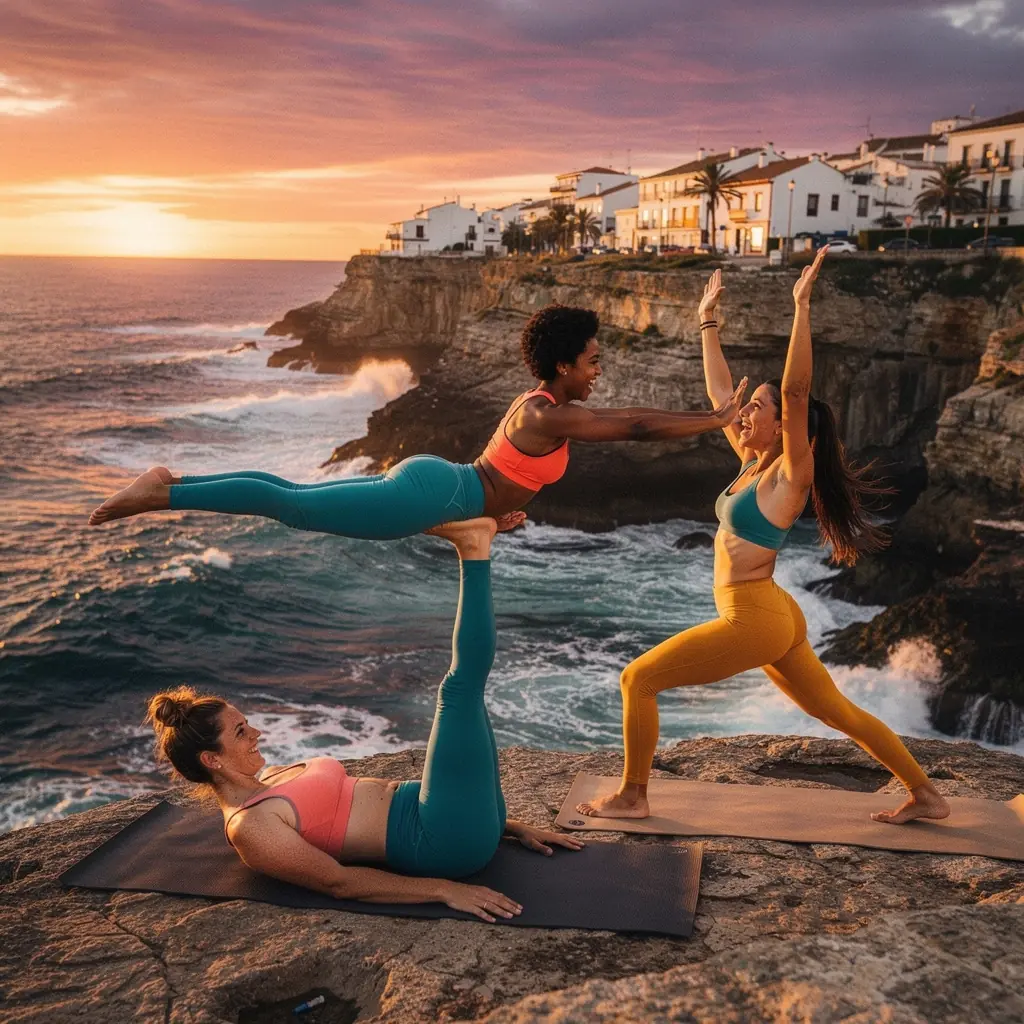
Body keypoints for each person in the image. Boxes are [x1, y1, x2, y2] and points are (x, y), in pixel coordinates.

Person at [578, 251, 951, 826]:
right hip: (775, 610)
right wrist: (707, 322)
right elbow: (719, 395)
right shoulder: (752, 464)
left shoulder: (788, 474)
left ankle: (634, 795)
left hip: (753, 616)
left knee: (639, 679)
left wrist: (802, 309)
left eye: (757, 408)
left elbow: (797, 389)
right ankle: (926, 795)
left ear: (784, 426)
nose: (743, 414)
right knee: (838, 712)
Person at [146, 517, 583, 922]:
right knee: (458, 690)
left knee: (471, 695)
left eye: (249, 723)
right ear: (212, 759)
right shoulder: (251, 827)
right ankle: (474, 548)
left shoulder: (272, 778)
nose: (257, 733)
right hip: (442, 841)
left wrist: (509, 827)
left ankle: (476, 544)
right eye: (241, 732)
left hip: (463, 817)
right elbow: (338, 882)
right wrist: (444, 890)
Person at [89, 305, 746, 535]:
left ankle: (170, 486)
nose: (598, 370)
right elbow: (634, 426)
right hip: (438, 491)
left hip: (447, 490)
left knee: (296, 501)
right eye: (593, 361)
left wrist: (492, 516)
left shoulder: (542, 407)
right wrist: (715, 418)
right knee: (294, 508)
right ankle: (166, 491)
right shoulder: (550, 416)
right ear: (565, 364)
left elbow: (502, 477)